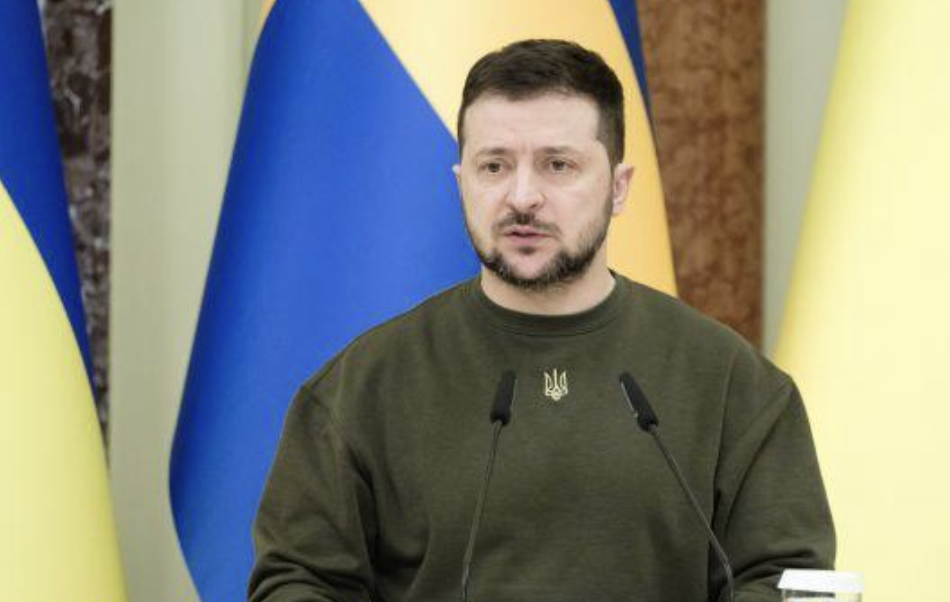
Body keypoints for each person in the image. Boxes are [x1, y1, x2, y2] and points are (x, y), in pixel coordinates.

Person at [248, 39, 834, 602]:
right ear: (461, 183)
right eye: (494, 166)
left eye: (557, 165)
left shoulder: (731, 382)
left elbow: (788, 580)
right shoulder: (364, 385)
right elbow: (298, 582)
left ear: (618, 187)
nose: (522, 197)